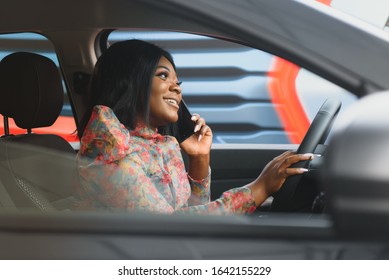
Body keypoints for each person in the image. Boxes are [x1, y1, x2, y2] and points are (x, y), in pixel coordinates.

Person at [75, 39, 313, 215]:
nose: (177, 88)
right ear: (129, 81)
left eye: (177, 82)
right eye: (162, 76)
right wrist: (259, 188)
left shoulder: (163, 144)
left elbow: (193, 218)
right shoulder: (108, 148)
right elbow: (168, 232)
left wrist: (200, 159)